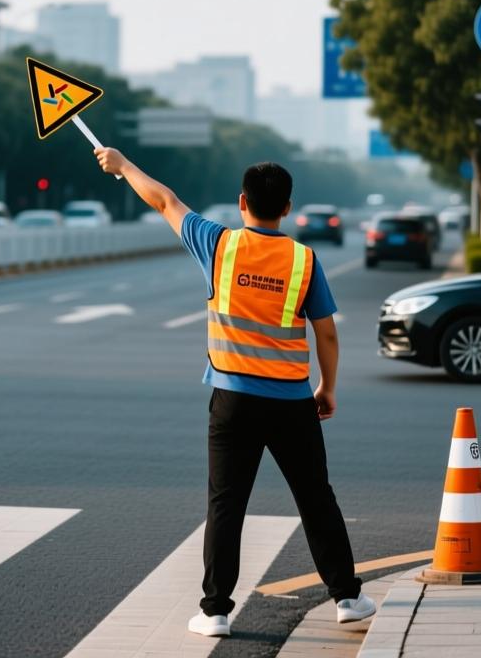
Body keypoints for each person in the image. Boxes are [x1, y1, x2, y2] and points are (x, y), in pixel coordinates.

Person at [94, 147, 375, 637]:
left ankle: (215, 611)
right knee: (315, 499)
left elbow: (164, 201)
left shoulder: (218, 245)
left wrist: (122, 166)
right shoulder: (304, 260)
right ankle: (348, 598)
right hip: (292, 402)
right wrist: (326, 388)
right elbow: (326, 333)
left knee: (226, 503)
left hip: (233, 401)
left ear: (242, 202)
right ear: (287, 208)